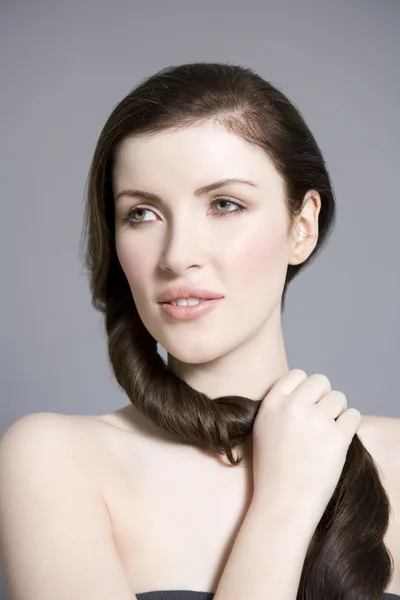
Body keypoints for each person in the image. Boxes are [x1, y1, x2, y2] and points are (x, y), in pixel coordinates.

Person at [0, 61, 399, 600]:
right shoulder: (54, 463)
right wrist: (282, 507)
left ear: (300, 227)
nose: (178, 256)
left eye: (225, 204)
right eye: (141, 213)